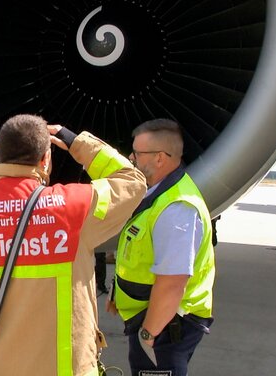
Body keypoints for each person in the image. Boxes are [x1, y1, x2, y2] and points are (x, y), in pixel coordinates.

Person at [0, 114, 146, 376]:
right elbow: (133, 181)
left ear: (1, 155)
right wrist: (75, 141)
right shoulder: (77, 208)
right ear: (46, 159)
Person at [107, 118, 215, 376]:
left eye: (137, 153)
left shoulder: (176, 208)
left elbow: (173, 282)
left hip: (167, 326)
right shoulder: (157, 194)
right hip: (156, 320)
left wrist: (149, 333)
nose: (131, 158)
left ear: (159, 158)